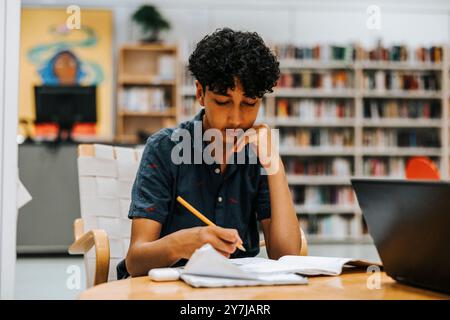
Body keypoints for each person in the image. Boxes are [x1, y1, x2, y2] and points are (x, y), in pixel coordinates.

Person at [119, 28, 301, 278]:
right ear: (200, 93)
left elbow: (286, 256)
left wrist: (274, 161)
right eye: (223, 102)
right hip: (168, 289)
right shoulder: (164, 148)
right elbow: (135, 262)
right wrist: (183, 242)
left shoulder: (257, 153)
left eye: (249, 104)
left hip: (239, 291)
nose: (236, 119)